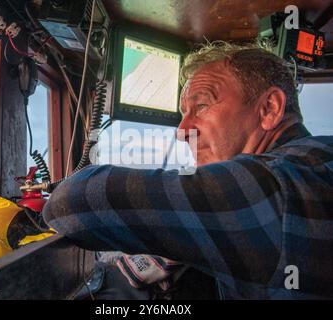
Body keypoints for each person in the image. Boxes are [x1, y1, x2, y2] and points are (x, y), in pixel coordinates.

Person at [42, 41, 333, 299]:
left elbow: (71, 203)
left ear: (269, 108)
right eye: (183, 113)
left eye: (202, 105)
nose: (182, 132)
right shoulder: (316, 160)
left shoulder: (274, 186)